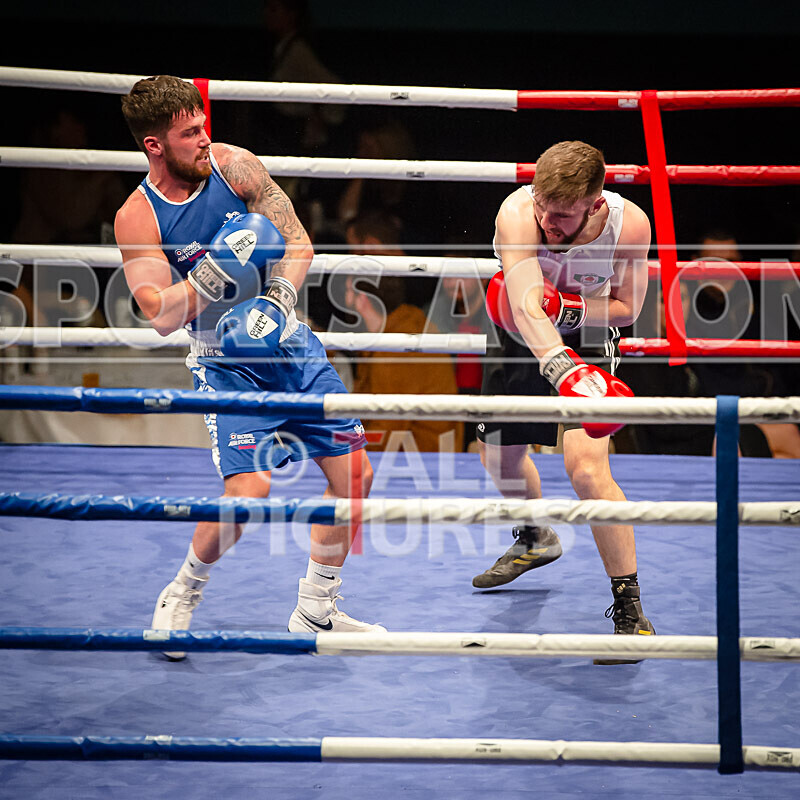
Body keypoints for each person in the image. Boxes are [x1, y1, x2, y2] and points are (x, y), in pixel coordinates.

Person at [114, 75, 384, 659]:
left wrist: (278, 302)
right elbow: (159, 314)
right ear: (154, 145)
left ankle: (316, 610)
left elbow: (298, 243)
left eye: (203, 125)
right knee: (249, 490)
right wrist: (217, 271)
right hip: (222, 361)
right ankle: (182, 592)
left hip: (288, 344)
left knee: (355, 477)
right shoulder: (138, 217)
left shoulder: (235, 166)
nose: (203, 139)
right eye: (189, 133)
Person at [473, 141, 654, 663]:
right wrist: (560, 367)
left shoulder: (629, 225)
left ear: (595, 203)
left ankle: (631, 612)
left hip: (588, 338)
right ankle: (535, 537)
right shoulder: (517, 213)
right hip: (519, 331)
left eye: (562, 216)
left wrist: (570, 308)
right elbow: (528, 306)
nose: (547, 223)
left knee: (587, 471)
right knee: (499, 459)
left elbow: (627, 308)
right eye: (542, 209)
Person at [343, 212, 463, 452]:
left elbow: (387, 430)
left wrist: (337, 445)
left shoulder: (398, 343)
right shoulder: (394, 331)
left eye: (346, 288)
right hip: (412, 451)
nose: (341, 297)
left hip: (421, 458)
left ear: (361, 299)